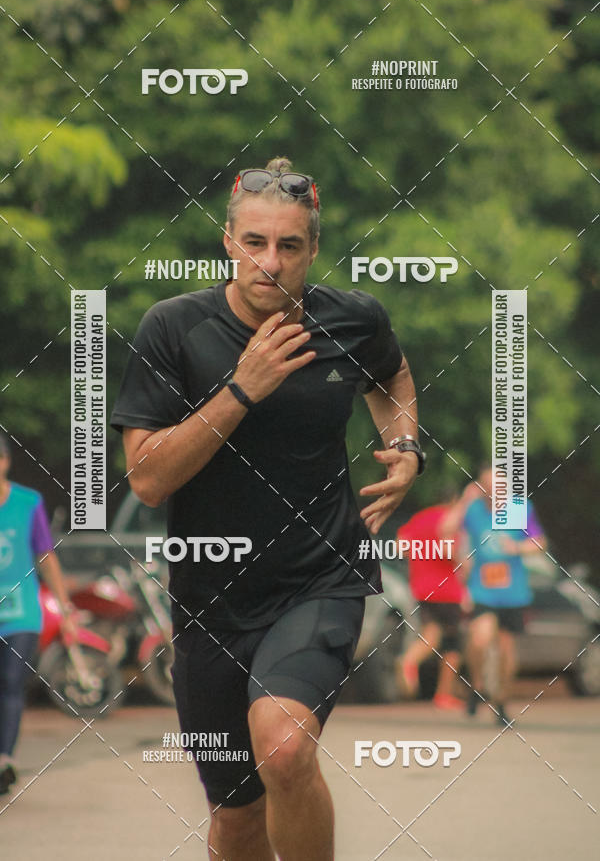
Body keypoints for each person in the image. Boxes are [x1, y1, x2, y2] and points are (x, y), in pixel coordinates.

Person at [111, 157, 424, 861]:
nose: (270, 263)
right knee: (236, 820)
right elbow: (148, 481)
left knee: (283, 750)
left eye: (289, 246)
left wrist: (404, 445)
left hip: (321, 579)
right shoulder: (172, 330)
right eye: (255, 243)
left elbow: (393, 374)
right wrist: (241, 388)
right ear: (228, 241)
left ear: (313, 249)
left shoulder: (353, 318)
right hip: (211, 597)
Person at [0, 434, 77, 794]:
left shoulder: (28, 503)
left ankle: (5, 759)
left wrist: (65, 606)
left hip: (21, 614)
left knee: (11, 682)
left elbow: (46, 555)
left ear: (5, 461)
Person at [441, 468, 546, 725]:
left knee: (506, 650)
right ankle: (478, 686)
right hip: (481, 589)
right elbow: (444, 530)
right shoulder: (473, 509)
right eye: (488, 488)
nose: (494, 494)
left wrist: (518, 547)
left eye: (499, 488)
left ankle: (501, 701)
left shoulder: (520, 508)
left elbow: (540, 543)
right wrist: (465, 500)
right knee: (478, 640)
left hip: (514, 593)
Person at [396, 492, 467, 711]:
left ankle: (409, 660)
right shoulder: (451, 521)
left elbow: (400, 545)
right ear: (454, 501)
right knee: (454, 644)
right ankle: (444, 694)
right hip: (448, 589)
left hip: (421, 588)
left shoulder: (420, 518)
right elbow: (451, 552)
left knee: (432, 634)